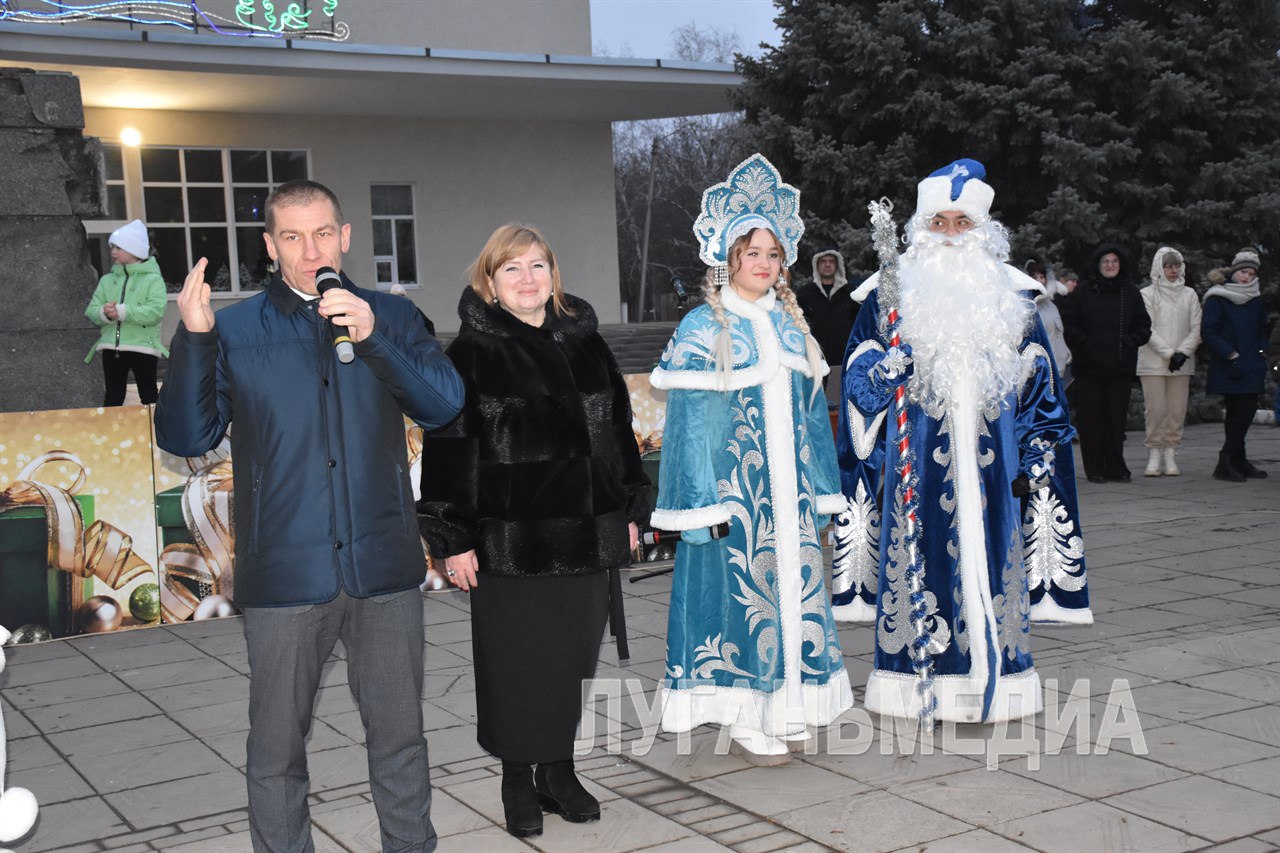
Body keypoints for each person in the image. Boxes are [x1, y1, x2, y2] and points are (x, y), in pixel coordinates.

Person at [154, 179, 463, 853]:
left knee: (400, 739)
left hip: (382, 565)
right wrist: (195, 339)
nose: (308, 250)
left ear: (345, 237)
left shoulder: (390, 315)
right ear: (269, 245)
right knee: (276, 750)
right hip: (285, 574)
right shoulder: (232, 329)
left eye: (322, 233)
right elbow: (185, 436)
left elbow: (443, 405)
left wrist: (376, 337)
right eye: (291, 236)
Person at [416, 224, 649, 839]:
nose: (527, 278)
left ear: (554, 274)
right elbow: (449, 452)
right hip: (510, 545)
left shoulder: (587, 344)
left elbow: (618, 436)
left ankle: (559, 771)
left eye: (537, 265)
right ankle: (518, 777)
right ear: (489, 282)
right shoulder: (470, 355)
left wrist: (629, 511)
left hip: (590, 535)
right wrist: (452, 536)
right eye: (512, 268)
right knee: (515, 665)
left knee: (574, 661)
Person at [838, 159, 1089, 724]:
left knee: (994, 568)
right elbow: (856, 382)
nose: (951, 235)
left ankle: (997, 681)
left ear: (984, 230)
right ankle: (914, 685)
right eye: (939, 223)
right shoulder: (887, 298)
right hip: (917, 473)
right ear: (920, 229)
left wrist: (1035, 463)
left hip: (995, 473)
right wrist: (884, 372)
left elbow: (1042, 392)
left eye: (962, 223)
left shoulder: (1014, 301)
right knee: (920, 566)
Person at [651, 154, 852, 764]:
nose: (762, 264)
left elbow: (814, 418)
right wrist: (697, 504)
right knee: (740, 602)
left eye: (772, 254)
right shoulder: (701, 327)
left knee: (792, 596)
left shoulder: (792, 327)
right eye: (751, 253)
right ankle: (743, 713)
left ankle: (786, 704)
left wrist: (821, 491)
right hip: (734, 498)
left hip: (789, 499)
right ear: (728, 258)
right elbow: (686, 425)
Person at [1059, 243, 1152, 483]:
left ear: (1120, 265)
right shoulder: (1083, 292)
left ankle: (1116, 467)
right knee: (1092, 422)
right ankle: (1095, 468)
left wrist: (1129, 342)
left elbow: (1143, 326)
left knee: (1115, 421)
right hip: (1089, 369)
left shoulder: (1130, 292)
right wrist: (1087, 343)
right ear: (1097, 265)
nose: (1110, 266)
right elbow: (1069, 324)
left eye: (1114, 261)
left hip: (1120, 368)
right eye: (1105, 262)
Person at [84, 219, 169, 405]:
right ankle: (109, 434)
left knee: (149, 395)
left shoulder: (153, 280)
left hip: (143, 347)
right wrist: (104, 313)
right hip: (111, 348)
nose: (113, 252)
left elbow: (155, 312)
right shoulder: (107, 280)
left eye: (118, 247)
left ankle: (156, 432)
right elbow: (91, 310)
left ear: (135, 250)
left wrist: (122, 312)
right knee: (113, 396)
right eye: (112, 247)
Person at [1202, 249, 1269, 481]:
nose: (1247, 277)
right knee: (1239, 412)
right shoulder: (1217, 297)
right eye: (1243, 272)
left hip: (1251, 364)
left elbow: (1263, 327)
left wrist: (1262, 351)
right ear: (1234, 272)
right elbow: (1209, 332)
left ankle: (1237, 459)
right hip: (1229, 364)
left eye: (1251, 273)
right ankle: (1226, 460)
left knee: (1242, 412)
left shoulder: (1255, 299)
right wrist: (1230, 354)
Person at [1136, 248, 1201, 477]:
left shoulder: (1190, 295)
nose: (1173, 270)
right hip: (1153, 363)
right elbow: (1147, 328)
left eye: (1177, 266)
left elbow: (1196, 328)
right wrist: (1169, 354)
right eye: (1168, 266)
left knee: (1176, 411)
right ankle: (1154, 453)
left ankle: (1170, 453)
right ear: (1159, 268)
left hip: (1182, 365)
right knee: (1156, 410)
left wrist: (1182, 353)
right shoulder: (1147, 294)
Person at [795, 249, 860, 402]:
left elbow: (859, 325)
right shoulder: (805, 294)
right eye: (823, 261)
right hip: (816, 359)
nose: (827, 265)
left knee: (844, 403)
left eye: (831, 261)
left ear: (838, 265)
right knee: (817, 403)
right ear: (816, 265)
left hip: (845, 359)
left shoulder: (851, 293)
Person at [1028, 259, 1073, 388]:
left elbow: (1057, 335)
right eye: (1034, 276)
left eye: (1042, 276)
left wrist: (1066, 354)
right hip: (1037, 375)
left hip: (1058, 371)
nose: (1039, 280)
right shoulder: (1026, 307)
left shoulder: (1052, 305)